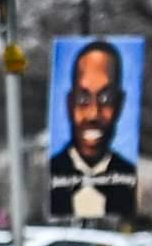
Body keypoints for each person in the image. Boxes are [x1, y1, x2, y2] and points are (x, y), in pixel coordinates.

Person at [50, 42, 140, 227]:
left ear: (120, 104)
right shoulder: (53, 169)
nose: (93, 114)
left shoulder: (128, 174)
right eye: (83, 98)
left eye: (105, 99)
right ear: (69, 103)